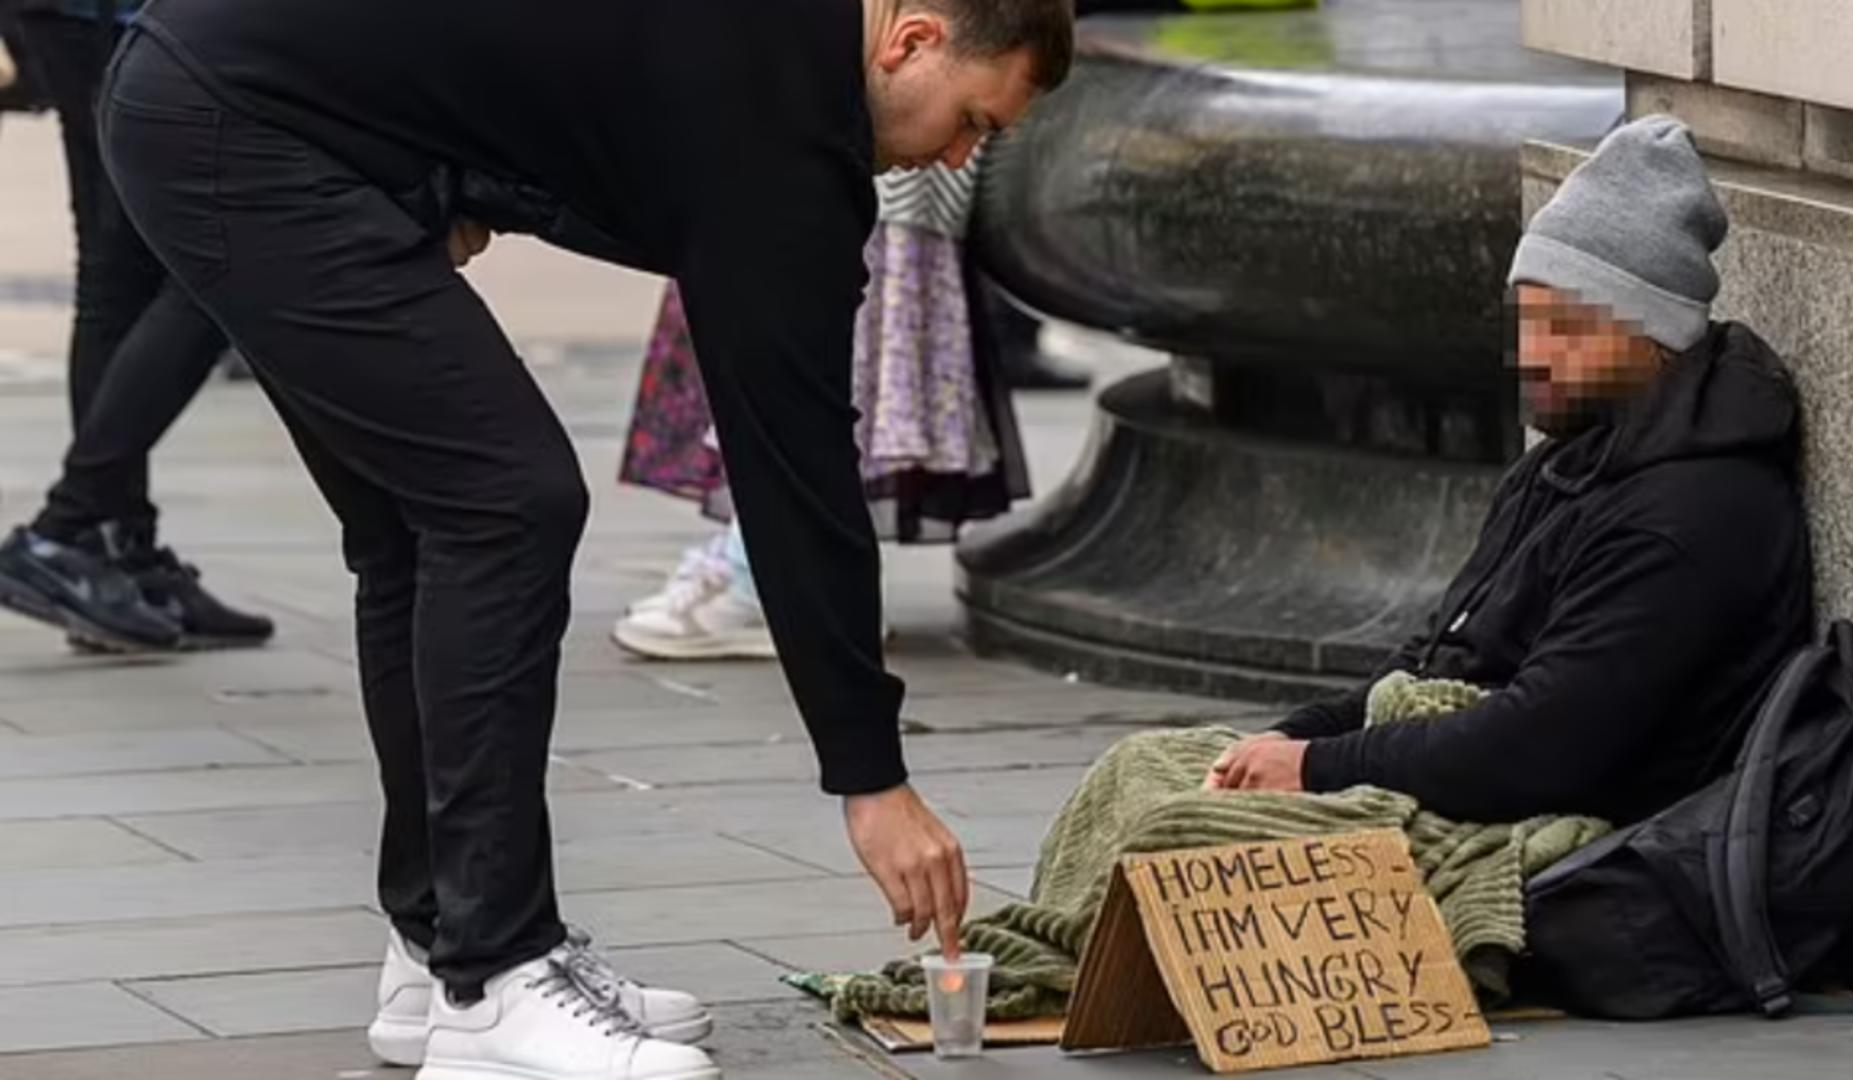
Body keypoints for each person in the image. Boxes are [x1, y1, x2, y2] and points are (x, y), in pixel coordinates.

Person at [97, 1, 1073, 1077]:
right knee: (506, 500)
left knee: (418, 527)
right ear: (913, 40)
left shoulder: (777, 60)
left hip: (223, 92)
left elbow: (553, 80)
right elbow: (795, 475)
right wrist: (871, 777)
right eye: (975, 120)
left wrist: (443, 179)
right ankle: (492, 985)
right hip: (246, 124)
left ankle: (441, 949)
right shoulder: (785, 131)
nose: (959, 154)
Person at [1206, 116, 1813, 827]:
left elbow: (1542, 747)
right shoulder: (1569, 460)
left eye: (1568, 329)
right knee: (1165, 773)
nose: (1535, 354)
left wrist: (1318, 768)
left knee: (1185, 828)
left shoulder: (1695, 514)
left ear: (1656, 338)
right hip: (1474, 784)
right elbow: (1433, 658)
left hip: (1583, 845)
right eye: (1528, 321)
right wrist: (1297, 734)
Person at [614, 159, 1032, 660]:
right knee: (794, 373)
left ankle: (771, 584)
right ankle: (789, 577)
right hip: (827, 175)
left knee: (804, 375)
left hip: (849, 177)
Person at [0, 0, 271, 653]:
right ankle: (71, 531)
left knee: (124, 277)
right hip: (109, 22)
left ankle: (116, 548)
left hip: (109, 22)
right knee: (211, 267)